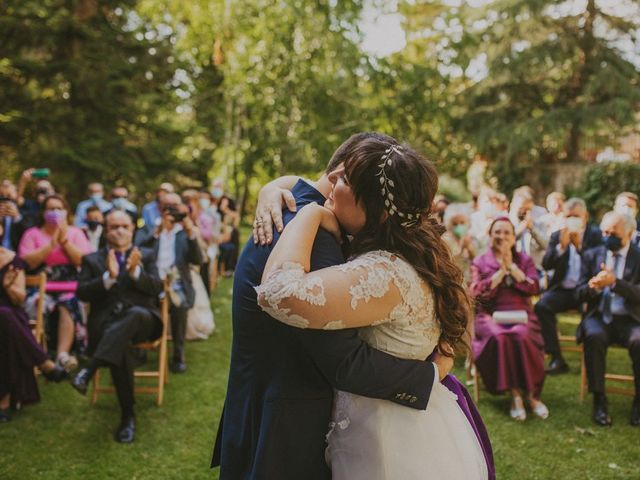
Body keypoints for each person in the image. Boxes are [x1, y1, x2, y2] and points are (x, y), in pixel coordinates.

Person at [252, 136, 490, 479]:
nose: (332, 179)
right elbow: (311, 182)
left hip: (390, 441)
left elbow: (277, 293)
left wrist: (309, 213)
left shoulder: (384, 273)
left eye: (346, 179)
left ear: (376, 210)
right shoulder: (410, 249)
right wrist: (274, 187)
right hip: (389, 423)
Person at [71, 210, 163, 442]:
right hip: (107, 325)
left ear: (132, 228)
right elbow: (81, 292)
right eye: (114, 227)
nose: (120, 230)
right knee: (119, 344)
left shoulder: (147, 255)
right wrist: (108, 278)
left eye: (124, 226)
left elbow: (157, 288)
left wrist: (135, 272)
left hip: (145, 321)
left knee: (134, 315)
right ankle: (127, 417)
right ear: (106, 230)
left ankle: (90, 368)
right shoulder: (92, 259)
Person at [470, 217, 548, 421]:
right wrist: (499, 274)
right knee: (500, 337)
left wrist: (512, 268)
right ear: (490, 235)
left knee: (521, 336)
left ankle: (532, 395)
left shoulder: (524, 260)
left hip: (521, 313)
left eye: (507, 232)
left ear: (514, 237)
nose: (502, 236)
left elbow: (534, 287)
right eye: (497, 232)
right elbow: (476, 293)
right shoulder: (480, 261)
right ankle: (515, 395)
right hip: (489, 314)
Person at [576, 211, 640, 427]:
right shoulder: (592, 254)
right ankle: (599, 399)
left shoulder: (638, 257)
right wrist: (593, 287)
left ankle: (638, 402)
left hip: (630, 318)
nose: (608, 236)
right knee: (593, 336)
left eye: (614, 233)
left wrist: (615, 283)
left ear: (630, 233)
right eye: (605, 231)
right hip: (599, 316)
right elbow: (578, 293)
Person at [18, 194, 93, 370]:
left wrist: (64, 241)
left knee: (68, 303)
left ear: (66, 212)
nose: (55, 212)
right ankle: (37, 353)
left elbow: (83, 260)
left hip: (70, 286)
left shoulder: (76, 233)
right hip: (39, 286)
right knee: (36, 303)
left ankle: (62, 355)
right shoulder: (32, 233)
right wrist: (51, 245)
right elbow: (26, 262)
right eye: (51, 209)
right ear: (43, 212)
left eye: (59, 208)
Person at [0, 231, 67, 423]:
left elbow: (18, 298)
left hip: (9, 315)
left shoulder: (11, 260)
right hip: (9, 319)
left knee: (5, 322)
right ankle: (44, 363)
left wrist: (7, 286)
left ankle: (3, 401)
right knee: (5, 320)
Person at [135, 193, 202, 373]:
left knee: (179, 307)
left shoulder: (185, 232)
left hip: (176, 283)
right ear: (160, 208)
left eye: (175, 206)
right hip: (152, 283)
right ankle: (141, 350)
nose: (171, 210)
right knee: (142, 305)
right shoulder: (149, 228)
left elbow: (198, 260)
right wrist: (156, 233)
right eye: (167, 206)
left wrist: (190, 234)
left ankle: (178, 355)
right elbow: (138, 251)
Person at [535, 198, 602, 374]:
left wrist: (579, 247)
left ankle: (589, 355)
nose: (572, 219)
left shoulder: (596, 235)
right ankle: (557, 357)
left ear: (585, 216)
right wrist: (561, 248)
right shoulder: (557, 235)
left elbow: (598, 265)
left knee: (592, 315)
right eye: (568, 216)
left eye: (576, 216)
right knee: (541, 306)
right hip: (563, 290)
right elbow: (547, 264)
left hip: (586, 291)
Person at [509, 192, 548, 271]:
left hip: (535, 268)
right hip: (515, 267)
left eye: (528, 209)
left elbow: (546, 245)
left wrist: (532, 229)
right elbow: (507, 242)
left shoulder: (539, 222)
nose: (524, 212)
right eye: (521, 208)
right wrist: (521, 228)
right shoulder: (509, 222)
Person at [442, 209, 477, 283]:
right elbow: (447, 263)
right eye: (455, 224)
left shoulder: (469, 238)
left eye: (462, 222)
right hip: (452, 280)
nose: (459, 226)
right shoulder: (445, 241)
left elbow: (475, 259)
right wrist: (462, 250)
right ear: (449, 226)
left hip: (467, 279)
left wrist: (469, 248)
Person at [0, 180, 29, 251]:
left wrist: (17, 217)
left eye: (7, 186)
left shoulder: (24, 209)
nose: (6, 189)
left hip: (16, 252)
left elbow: (28, 232)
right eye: (3, 186)